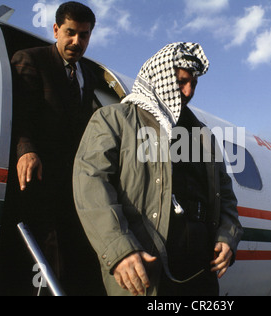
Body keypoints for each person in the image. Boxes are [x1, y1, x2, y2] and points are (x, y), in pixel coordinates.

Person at [73, 42, 243, 296]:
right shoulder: (114, 120)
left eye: (193, 84)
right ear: (158, 78)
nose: (188, 92)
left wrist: (228, 237)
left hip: (200, 272)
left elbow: (225, 197)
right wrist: (119, 250)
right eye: (181, 82)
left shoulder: (203, 137)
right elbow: (90, 183)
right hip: (145, 268)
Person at [0, 2, 105, 295]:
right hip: (37, 182)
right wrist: (26, 150)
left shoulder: (87, 77)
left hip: (73, 187)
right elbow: (21, 113)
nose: (77, 42)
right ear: (56, 30)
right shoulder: (30, 59)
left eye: (84, 35)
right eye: (70, 33)